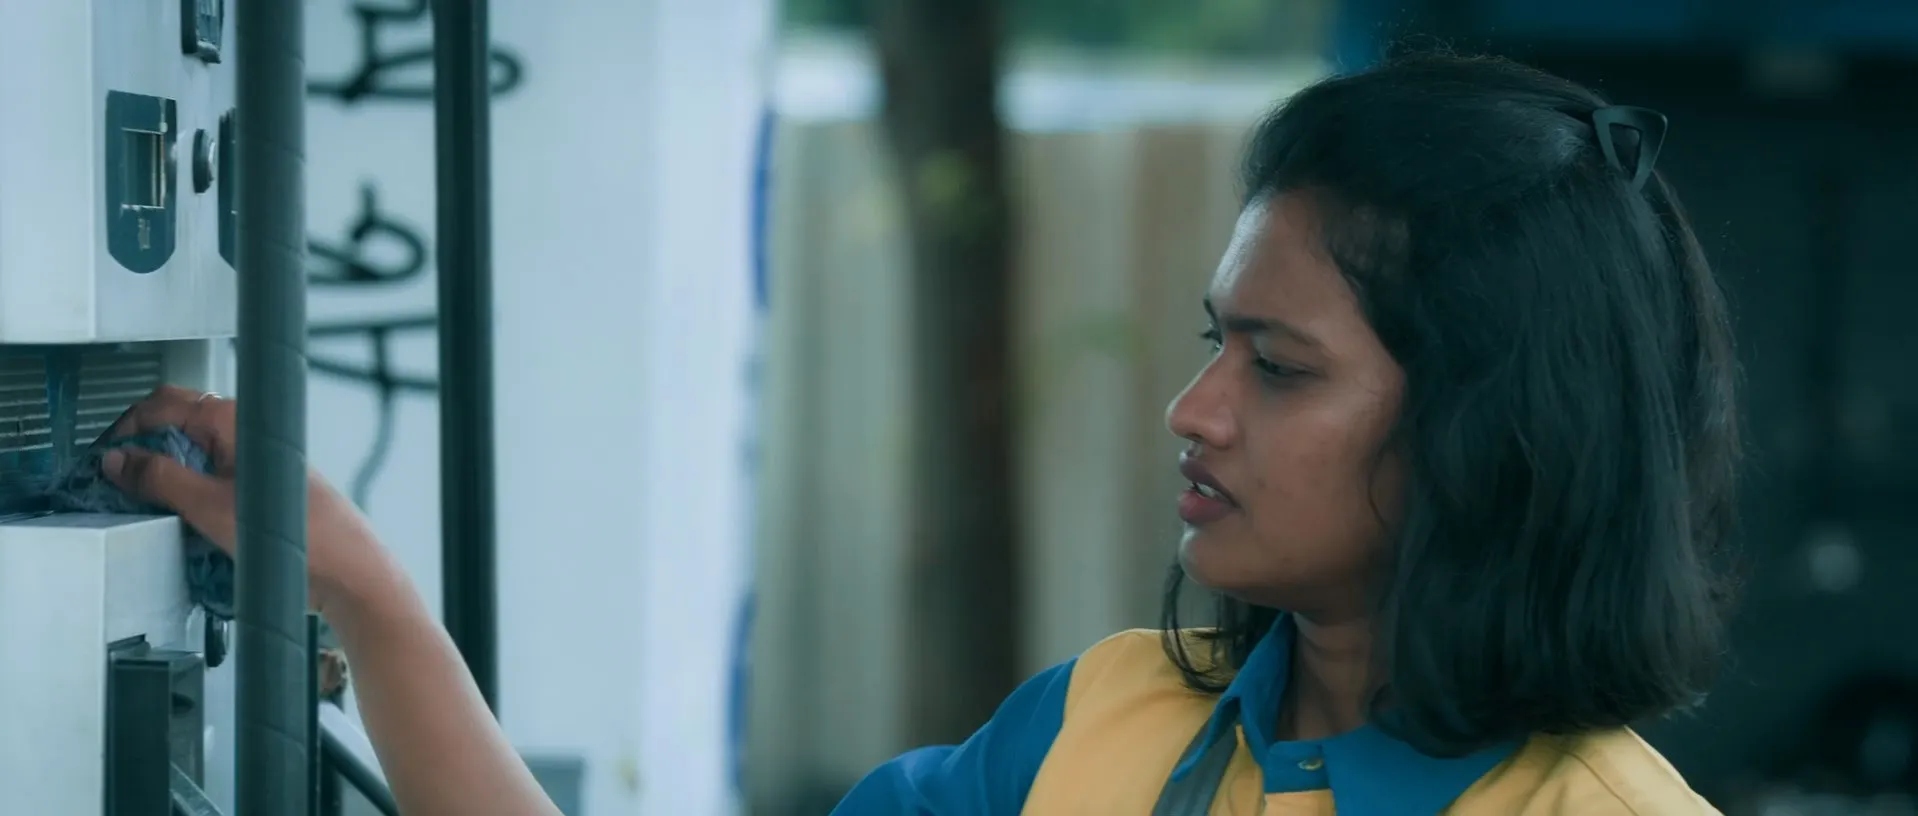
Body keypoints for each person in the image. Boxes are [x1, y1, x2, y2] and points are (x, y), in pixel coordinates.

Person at [102, 49, 1738, 815]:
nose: (1194, 410)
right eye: (1210, 342)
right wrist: (366, 596)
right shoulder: (1095, 725)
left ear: (1489, 432)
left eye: (1280, 368)